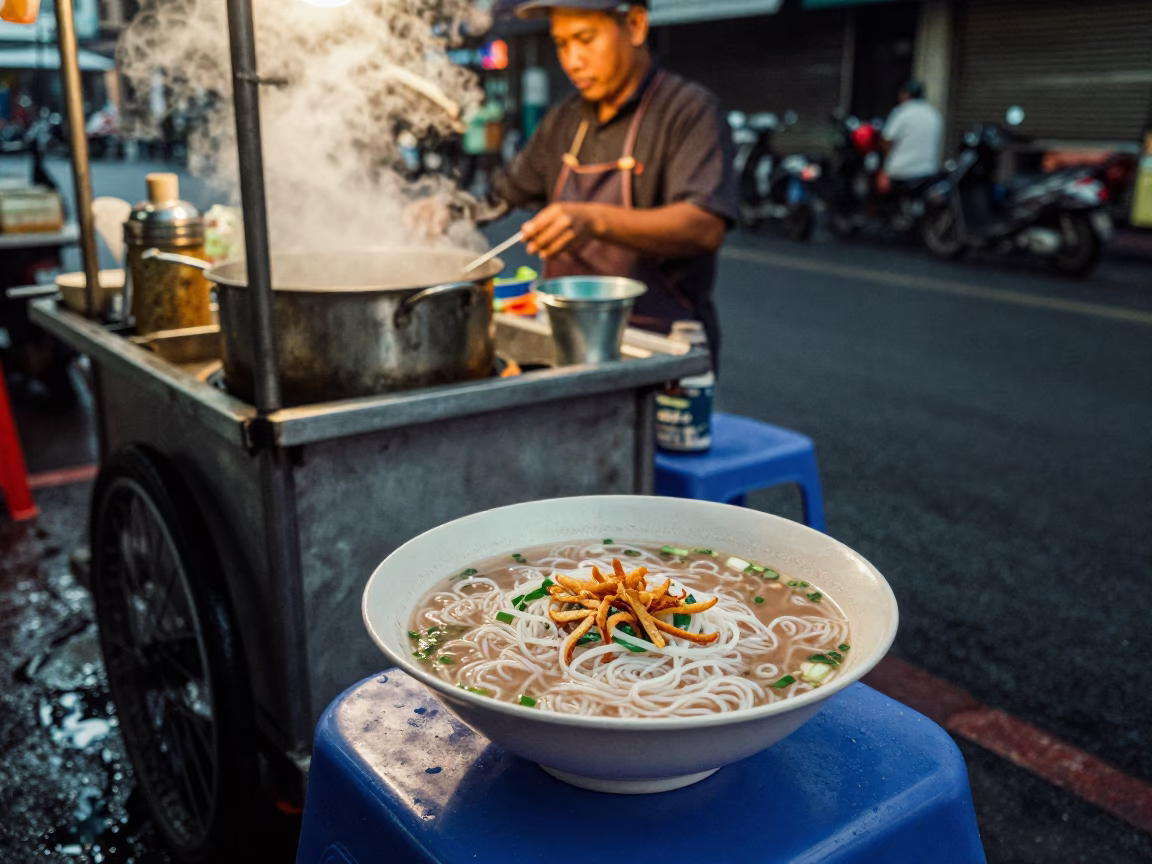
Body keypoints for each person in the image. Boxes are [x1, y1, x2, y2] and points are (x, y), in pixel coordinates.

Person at [488, 0, 738, 367]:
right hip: (568, 341)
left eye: (585, 39)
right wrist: (439, 209)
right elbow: (503, 192)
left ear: (635, 25)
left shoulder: (689, 111)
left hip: (658, 350)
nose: (573, 60)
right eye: (562, 44)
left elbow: (704, 226)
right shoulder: (565, 120)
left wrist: (592, 221)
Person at [877, 80, 943, 197]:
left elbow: (886, 140)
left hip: (901, 172)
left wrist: (884, 171)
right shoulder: (934, 114)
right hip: (928, 171)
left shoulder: (902, 112)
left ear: (906, 94)